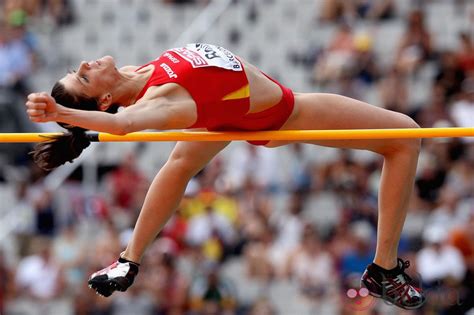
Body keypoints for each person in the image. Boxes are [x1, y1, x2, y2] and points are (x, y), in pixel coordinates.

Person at [25, 43, 424, 309]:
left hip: (223, 117)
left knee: (180, 165)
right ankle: (384, 269)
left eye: (74, 72)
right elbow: (125, 125)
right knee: (405, 136)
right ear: (105, 100)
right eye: (83, 79)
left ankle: (129, 260)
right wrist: (62, 115)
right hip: (284, 115)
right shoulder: (158, 102)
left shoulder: (135, 73)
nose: (83, 65)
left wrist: (67, 113)